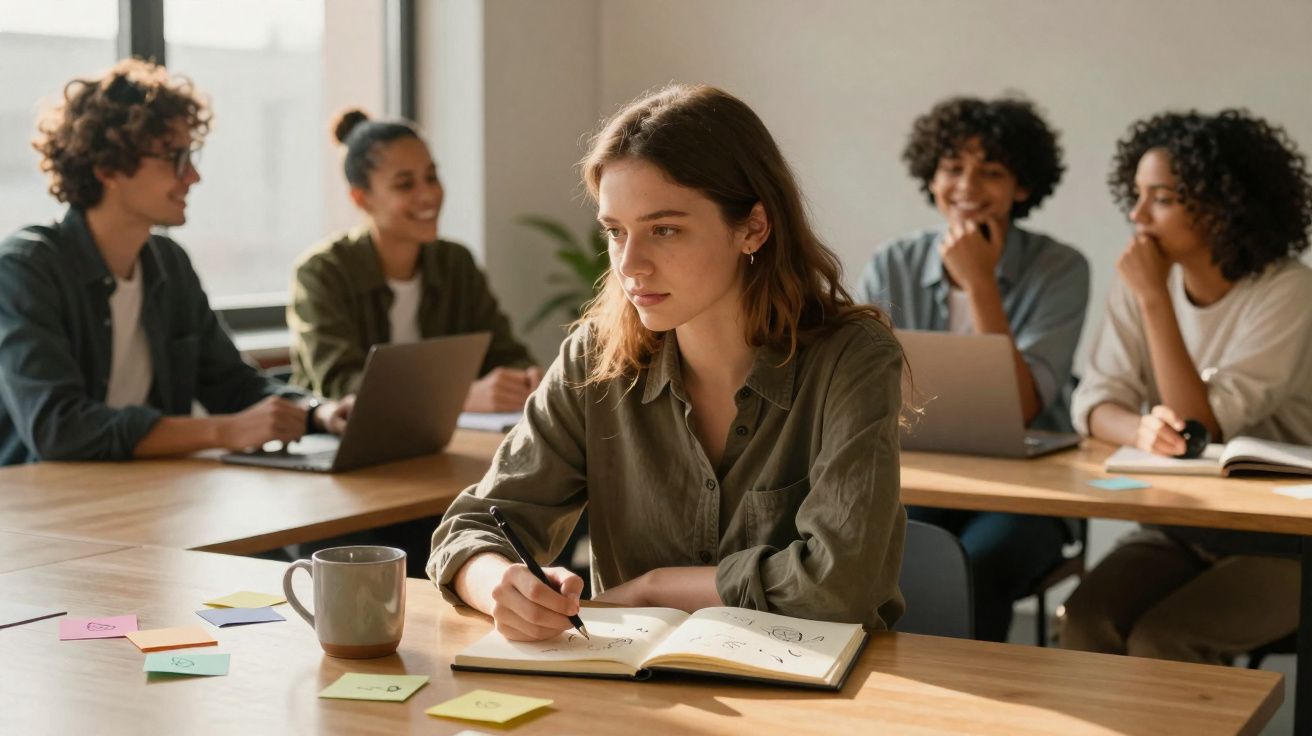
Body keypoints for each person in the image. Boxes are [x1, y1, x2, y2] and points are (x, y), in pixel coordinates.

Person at [428, 84, 907, 641]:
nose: (631, 264)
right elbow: (468, 530)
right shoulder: (595, 359)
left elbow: (842, 585)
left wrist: (657, 588)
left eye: (665, 230)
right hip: (640, 699)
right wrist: (499, 586)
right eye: (615, 231)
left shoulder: (852, 359)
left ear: (752, 227)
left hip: (823, 701)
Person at [0, 59, 350, 467]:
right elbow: (58, 428)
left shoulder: (169, 263)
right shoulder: (25, 270)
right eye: (175, 157)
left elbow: (231, 383)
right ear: (108, 167)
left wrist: (319, 412)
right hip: (44, 514)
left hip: (150, 499)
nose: (193, 177)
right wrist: (224, 430)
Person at [1061, 109, 1312, 664]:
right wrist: (1142, 429)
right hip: (1182, 527)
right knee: (1084, 621)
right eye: (1136, 194)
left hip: (1286, 541)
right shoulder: (1144, 276)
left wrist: (1154, 299)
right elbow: (1095, 401)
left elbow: (1203, 426)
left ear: (1225, 205)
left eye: (1162, 198)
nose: (1137, 215)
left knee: (1163, 641)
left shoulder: (1288, 289)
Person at [856, 96, 1089, 642]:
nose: (968, 185)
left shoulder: (1061, 268)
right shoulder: (895, 262)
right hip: (924, 475)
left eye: (992, 172)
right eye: (953, 167)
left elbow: (1022, 406)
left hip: (1033, 493)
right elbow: (861, 380)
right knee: (901, 557)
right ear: (930, 176)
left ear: (1023, 187)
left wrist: (980, 280)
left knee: (976, 564)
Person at [288, 109, 540, 412]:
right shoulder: (321, 272)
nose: (428, 195)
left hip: (445, 441)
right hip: (344, 446)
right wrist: (457, 397)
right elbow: (340, 383)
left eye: (431, 177)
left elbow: (505, 353)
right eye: (405, 184)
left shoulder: (455, 263)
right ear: (361, 198)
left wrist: (527, 378)